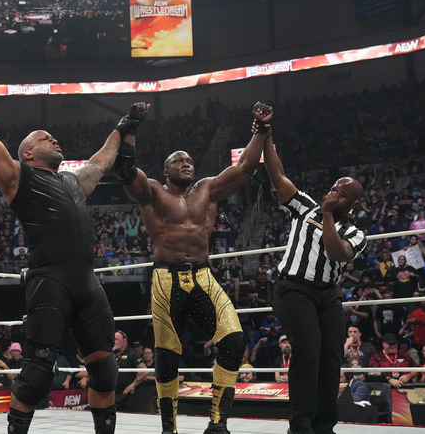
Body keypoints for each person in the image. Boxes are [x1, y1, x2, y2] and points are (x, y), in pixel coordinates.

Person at [0, 68, 151, 432]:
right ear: (27, 152)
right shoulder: (19, 177)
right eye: (44, 138)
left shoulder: (72, 181)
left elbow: (101, 160)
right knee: (37, 372)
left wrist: (124, 124)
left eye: (53, 136)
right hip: (49, 281)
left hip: (87, 283)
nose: (53, 139)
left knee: (105, 371)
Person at [120, 102, 272, 434]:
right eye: (178, 161)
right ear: (166, 171)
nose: (186, 164)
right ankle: (169, 429)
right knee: (167, 354)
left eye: (189, 160)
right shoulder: (153, 192)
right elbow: (126, 170)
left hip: (203, 276)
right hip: (166, 278)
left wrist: (260, 130)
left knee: (234, 342)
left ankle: (217, 423)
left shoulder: (207, 189)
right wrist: (130, 126)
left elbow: (244, 167)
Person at [262, 120, 367, 434]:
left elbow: (336, 253)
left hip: (328, 295)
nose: (334, 194)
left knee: (331, 356)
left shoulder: (356, 233)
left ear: (353, 204)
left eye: (342, 194)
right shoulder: (305, 206)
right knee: (308, 351)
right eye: (334, 188)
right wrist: (267, 136)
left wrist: (328, 214)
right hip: (293, 289)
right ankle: (301, 424)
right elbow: (278, 175)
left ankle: (324, 425)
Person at [113, 331, 148, 412]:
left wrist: (132, 385)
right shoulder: (111, 354)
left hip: (127, 395)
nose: (113, 342)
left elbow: (145, 372)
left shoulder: (133, 354)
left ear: (124, 340)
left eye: (116, 339)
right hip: (112, 393)